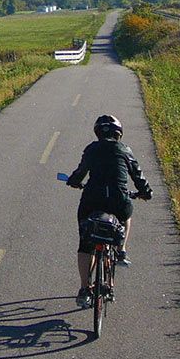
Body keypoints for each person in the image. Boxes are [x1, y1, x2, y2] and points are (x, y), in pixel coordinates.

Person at [66, 114, 153, 307]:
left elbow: (81, 172)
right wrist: (145, 192)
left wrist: (73, 182)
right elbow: (138, 176)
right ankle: (121, 249)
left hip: (92, 200)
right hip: (118, 200)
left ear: (98, 132)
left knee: (85, 243)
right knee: (126, 214)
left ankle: (84, 289)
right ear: (119, 134)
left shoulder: (91, 149)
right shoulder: (125, 150)